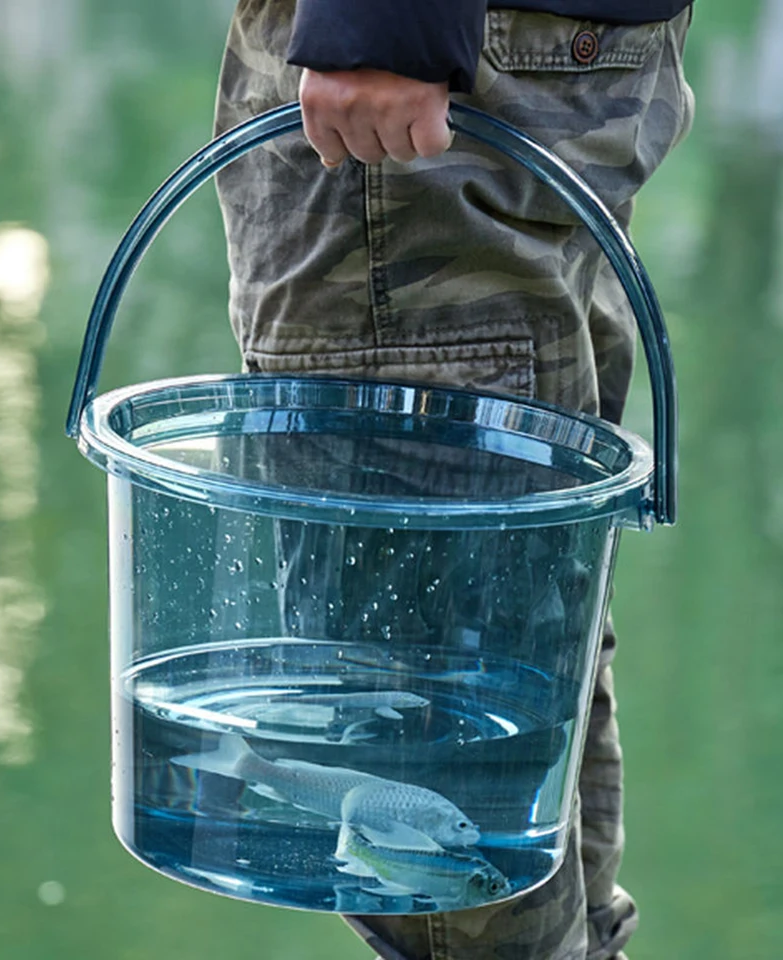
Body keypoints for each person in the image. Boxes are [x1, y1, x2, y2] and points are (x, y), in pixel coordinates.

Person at [213, 2, 695, 958]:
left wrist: (380, 21)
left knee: (426, 731)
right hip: (540, 57)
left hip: (412, 95)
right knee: (524, 649)